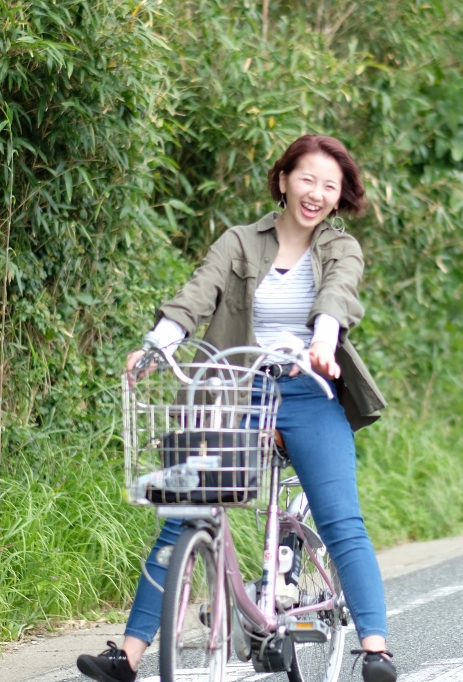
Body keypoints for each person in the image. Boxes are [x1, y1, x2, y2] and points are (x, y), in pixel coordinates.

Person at [77, 134, 398, 682]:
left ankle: (375, 648)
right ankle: (126, 656)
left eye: (329, 186)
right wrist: (159, 344)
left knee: (341, 518)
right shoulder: (239, 242)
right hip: (234, 390)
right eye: (307, 179)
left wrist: (322, 341)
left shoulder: (340, 247)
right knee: (184, 513)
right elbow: (197, 294)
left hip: (309, 389)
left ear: (340, 196)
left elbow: (338, 295)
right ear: (283, 180)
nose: (316, 193)